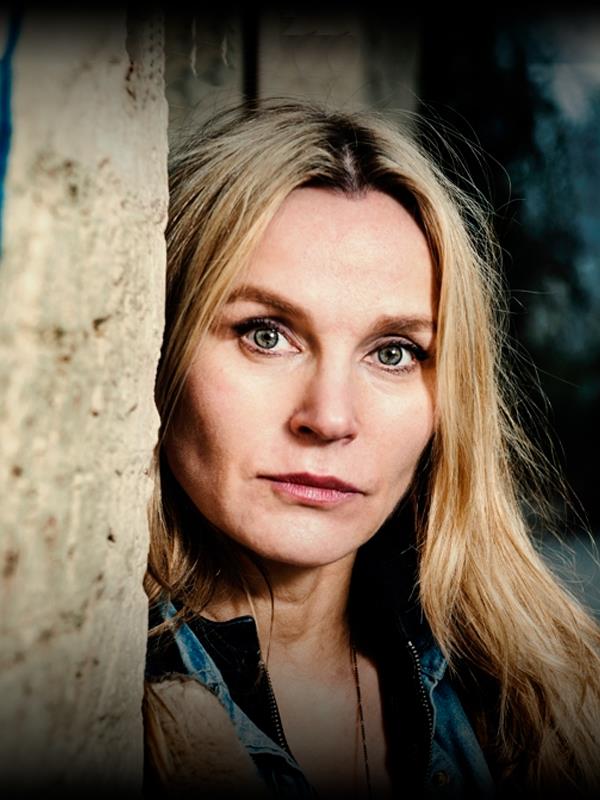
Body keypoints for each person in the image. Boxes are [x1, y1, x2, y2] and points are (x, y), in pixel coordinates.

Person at [141, 98, 600, 799]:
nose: (330, 419)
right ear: (160, 348)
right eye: (265, 334)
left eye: (393, 352)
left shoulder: (544, 705)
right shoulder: (75, 698)